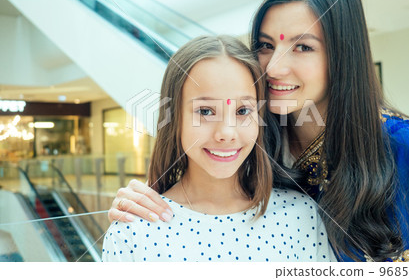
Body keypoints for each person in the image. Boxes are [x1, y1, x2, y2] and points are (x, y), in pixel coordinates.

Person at [108, 0, 409, 262]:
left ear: (342, 55)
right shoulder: (259, 134)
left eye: (302, 47)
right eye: (266, 45)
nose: (273, 67)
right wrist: (140, 201)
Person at [102, 35, 335, 262]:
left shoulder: (302, 215)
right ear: (174, 119)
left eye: (243, 111)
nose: (226, 133)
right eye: (205, 111)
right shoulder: (132, 231)